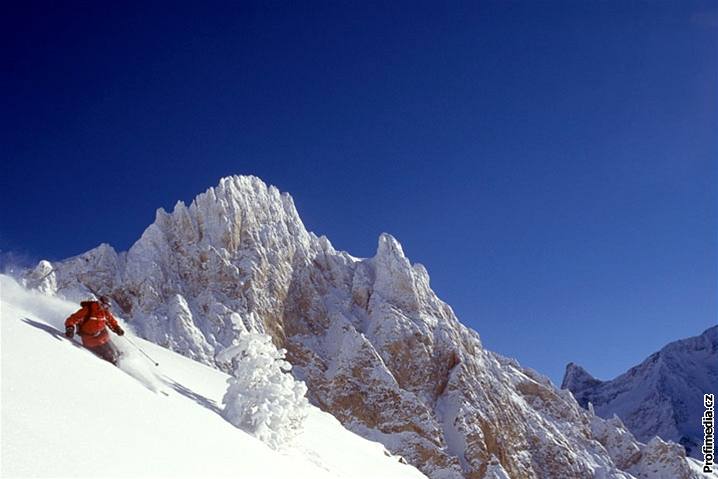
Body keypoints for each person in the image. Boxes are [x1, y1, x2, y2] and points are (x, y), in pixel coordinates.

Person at [65, 295, 125, 364]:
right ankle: (114, 370)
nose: (106, 308)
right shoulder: (88, 310)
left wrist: (117, 328)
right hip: (91, 341)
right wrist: (70, 328)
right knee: (111, 357)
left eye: (107, 307)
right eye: (105, 306)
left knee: (117, 353)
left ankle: (121, 362)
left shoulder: (105, 312)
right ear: (99, 303)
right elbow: (72, 319)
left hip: (103, 337)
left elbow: (111, 321)